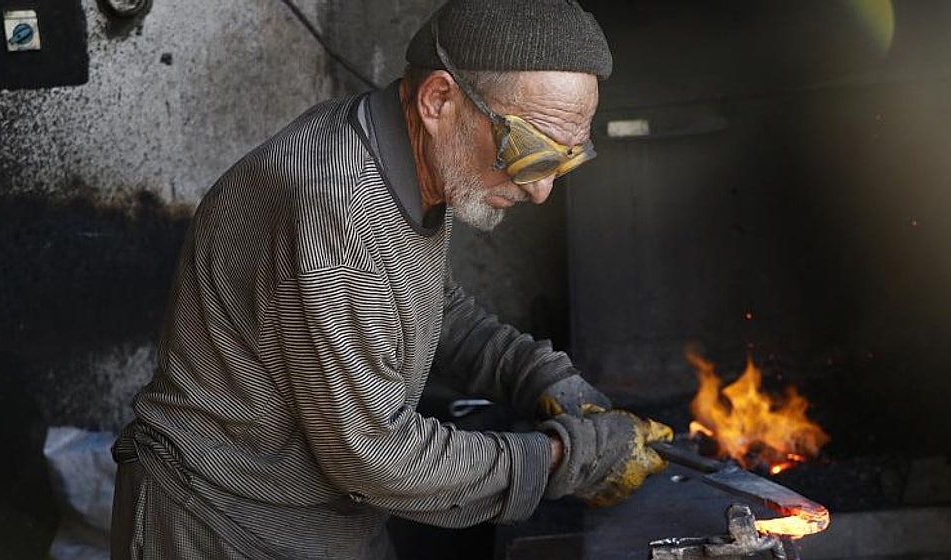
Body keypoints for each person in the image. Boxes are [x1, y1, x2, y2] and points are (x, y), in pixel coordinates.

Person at [110, 1, 673, 558]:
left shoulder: (400, 153)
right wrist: (564, 458)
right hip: (227, 527)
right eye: (529, 153)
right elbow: (375, 457)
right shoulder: (335, 204)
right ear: (439, 100)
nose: (540, 190)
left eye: (565, 161)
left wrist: (535, 375)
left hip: (327, 519)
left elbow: (424, 303)